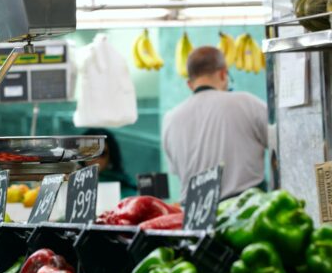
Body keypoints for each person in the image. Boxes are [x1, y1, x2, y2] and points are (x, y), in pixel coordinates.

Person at [162, 46, 268, 201]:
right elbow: (281, 148)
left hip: (194, 217)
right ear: (223, 73)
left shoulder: (170, 119)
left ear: (189, 84)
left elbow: (177, 170)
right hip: (245, 212)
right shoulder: (247, 103)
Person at [81, 128, 136, 197]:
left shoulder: (124, 187)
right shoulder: (72, 181)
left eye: (101, 153)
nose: (95, 158)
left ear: (111, 156)